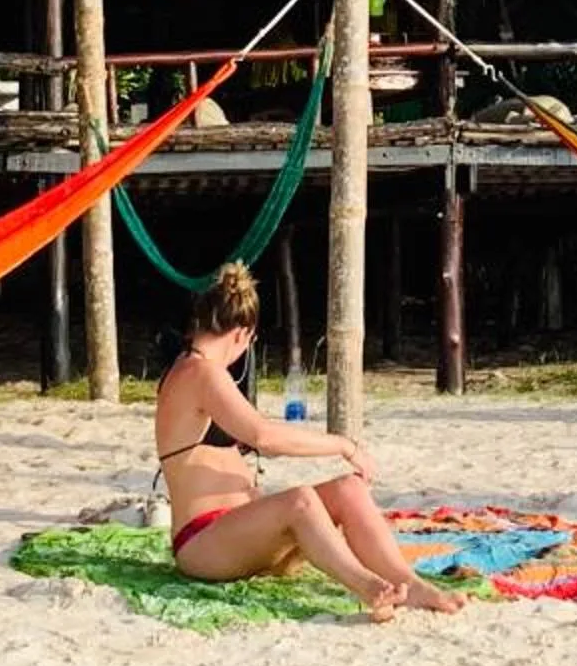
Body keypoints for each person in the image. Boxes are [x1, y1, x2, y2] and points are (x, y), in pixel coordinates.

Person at [154, 265, 463, 619]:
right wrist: (343, 445)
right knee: (299, 500)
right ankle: (370, 587)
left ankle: (409, 583)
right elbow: (264, 436)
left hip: (244, 534)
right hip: (204, 543)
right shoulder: (199, 372)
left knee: (349, 488)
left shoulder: (202, 368)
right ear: (243, 334)